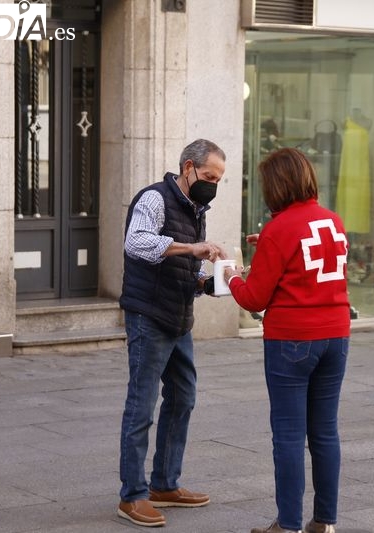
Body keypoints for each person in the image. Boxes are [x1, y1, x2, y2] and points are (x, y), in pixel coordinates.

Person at [224, 147, 351, 533]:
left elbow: (253, 298)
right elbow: (308, 252)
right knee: (325, 431)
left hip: (292, 340)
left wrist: (230, 274)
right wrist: (268, 243)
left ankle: (290, 525)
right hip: (336, 335)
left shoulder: (279, 230)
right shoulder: (333, 220)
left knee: (290, 436)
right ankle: (325, 522)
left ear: (276, 186)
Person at [117, 139, 227, 528]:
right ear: (188, 167)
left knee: (183, 397)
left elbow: (186, 265)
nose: (213, 185)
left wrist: (209, 282)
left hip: (180, 317)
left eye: (219, 180)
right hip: (149, 315)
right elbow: (137, 243)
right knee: (141, 405)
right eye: (209, 176)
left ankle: (165, 483)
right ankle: (132, 495)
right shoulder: (153, 199)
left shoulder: (196, 209)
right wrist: (191, 248)